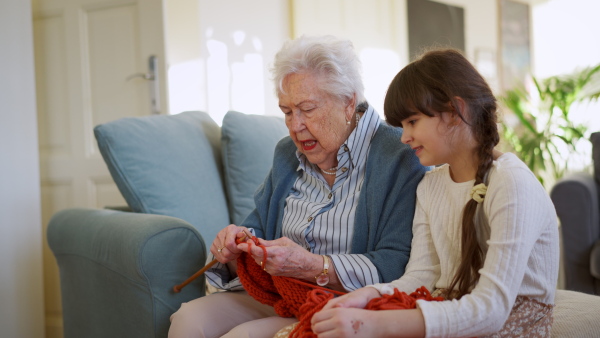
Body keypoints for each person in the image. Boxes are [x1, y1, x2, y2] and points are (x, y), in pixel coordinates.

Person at [168, 35, 427, 338]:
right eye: (287, 111)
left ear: (348, 102)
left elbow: (396, 263)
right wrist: (238, 243)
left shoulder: (400, 155)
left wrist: (312, 266)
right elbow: (257, 228)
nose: (295, 126)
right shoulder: (286, 154)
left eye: (307, 108)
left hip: (341, 303)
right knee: (188, 320)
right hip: (279, 293)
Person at [310, 48, 560, 337]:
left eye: (412, 122)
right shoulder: (430, 186)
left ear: (455, 112)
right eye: (401, 126)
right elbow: (421, 276)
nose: (404, 137)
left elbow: (490, 310)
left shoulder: (511, 184)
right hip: (450, 309)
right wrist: (366, 296)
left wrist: (371, 324)